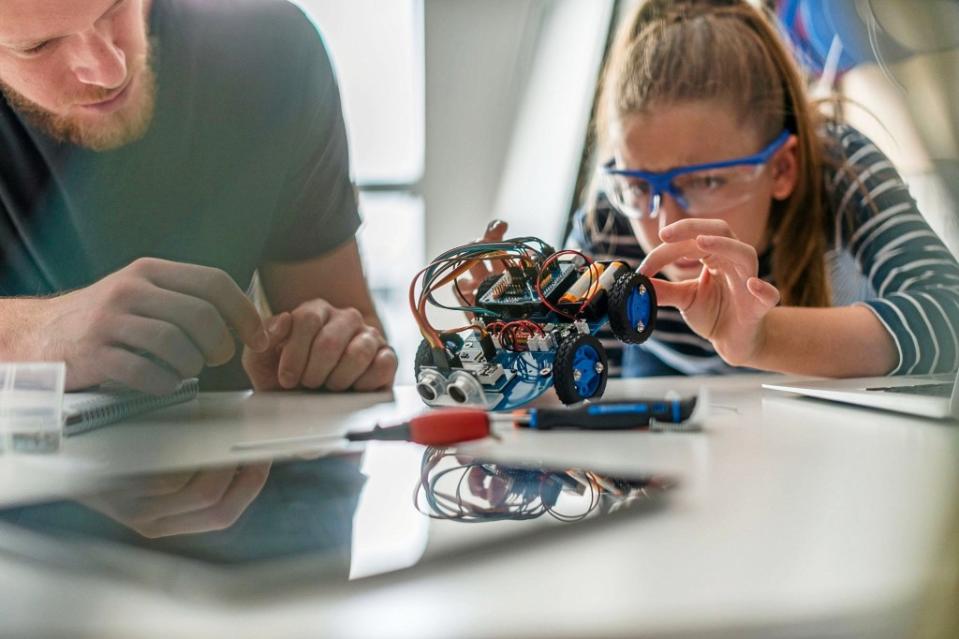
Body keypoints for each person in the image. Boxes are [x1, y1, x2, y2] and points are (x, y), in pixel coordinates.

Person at [0, 0, 397, 393]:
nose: (110, 70)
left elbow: (352, 327)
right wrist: (37, 336)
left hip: (234, 450)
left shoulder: (269, 52)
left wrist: (324, 354)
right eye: (38, 47)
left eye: (115, 8)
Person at [553, 0, 959, 379]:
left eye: (708, 180)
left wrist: (762, 338)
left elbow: (949, 312)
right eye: (639, 186)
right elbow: (578, 389)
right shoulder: (610, 220)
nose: (666, 223)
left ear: (782, 167)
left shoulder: (837, 169)